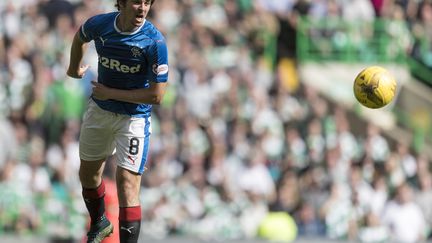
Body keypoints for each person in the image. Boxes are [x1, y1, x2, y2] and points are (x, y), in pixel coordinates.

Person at [66, 0, 168, 242]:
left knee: (127, 183)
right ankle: (100, 222)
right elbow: (80, 37)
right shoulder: (100, 25)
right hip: (100, 110)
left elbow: (157, 95)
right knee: (88, 175)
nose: (142, 8)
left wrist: (111, 93)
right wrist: (73, 68)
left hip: (134, 118)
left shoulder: (154, 41)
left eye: (147, 2)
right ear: (121, 3)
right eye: (136, 2)